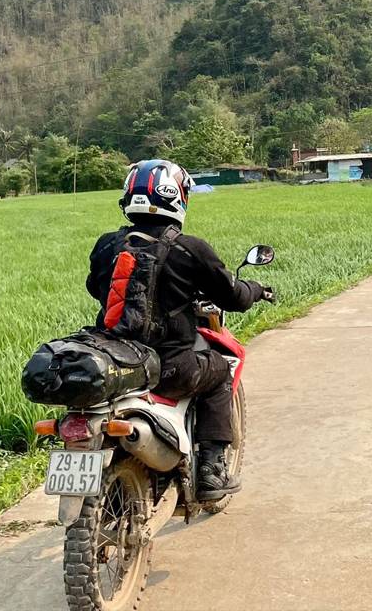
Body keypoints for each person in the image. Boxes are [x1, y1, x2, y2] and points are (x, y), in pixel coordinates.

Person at [85, 159, 272, 500]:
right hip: (172, 366)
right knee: (220, 372)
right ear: (178, 197)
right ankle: (211, 472)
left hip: (121, 363)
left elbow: (95, 287)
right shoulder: (189, 248)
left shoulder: (106, 245)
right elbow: (232, 296)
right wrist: (257, 289)